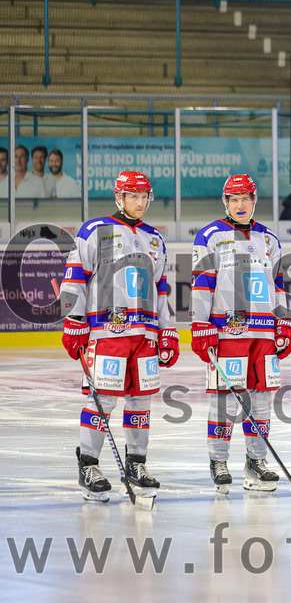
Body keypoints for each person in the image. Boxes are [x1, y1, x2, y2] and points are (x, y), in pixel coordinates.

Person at [59, 171, 179, 502]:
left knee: (141, 401)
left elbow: (161, 290)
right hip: (107, 332)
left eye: (144, 197)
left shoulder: (154, 239)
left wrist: (167, 330)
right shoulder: (95, 231)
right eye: (133, 196)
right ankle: (88, 465)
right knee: (103, 400)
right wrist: (74, 322)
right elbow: (74, 280)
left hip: (145, 335)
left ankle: (136, 464)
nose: (140, 203)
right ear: (119, 197)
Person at [190, 174, 291, 493]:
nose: (240, 205)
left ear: (254, 200)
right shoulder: (210, 235)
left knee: (261, 400)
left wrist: (284, 320)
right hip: (227, 332)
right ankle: (218, 461)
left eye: (245, 199)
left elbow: (278, 286)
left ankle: (256, 461)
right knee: (225, 401)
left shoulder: (269, 239)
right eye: (233, 199)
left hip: (263, 334)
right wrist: (200, 324)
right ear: (226, 202)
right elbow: (202, 284)